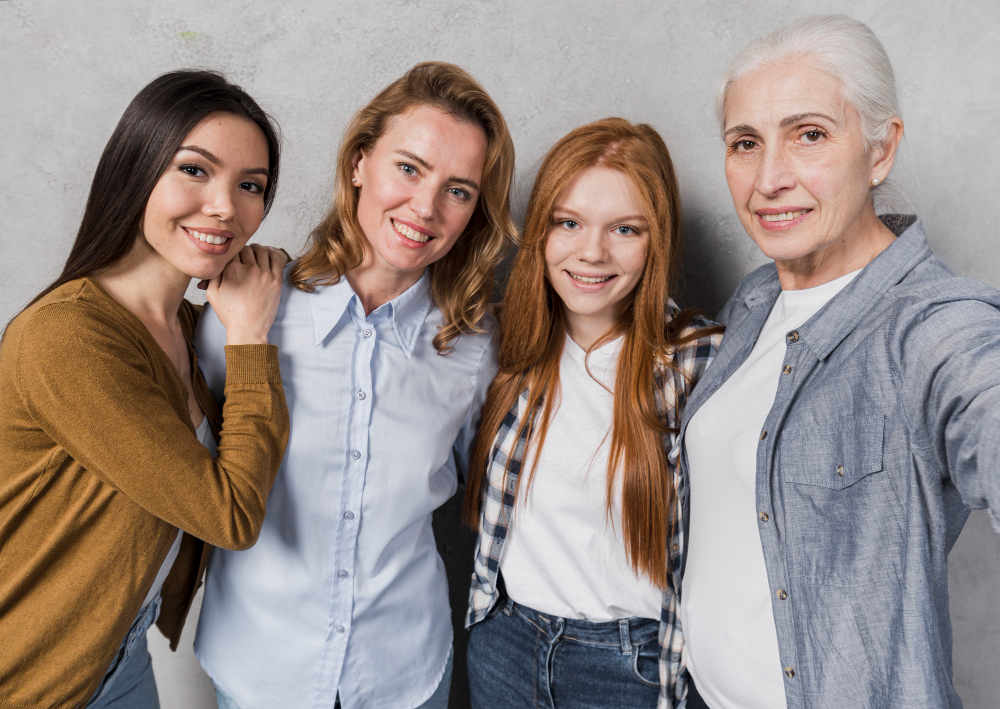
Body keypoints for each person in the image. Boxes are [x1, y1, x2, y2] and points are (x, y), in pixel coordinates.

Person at [674, 14, 1000, 709]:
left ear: (880, 151)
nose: (769, 179)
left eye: (810, 134)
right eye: (745, 143)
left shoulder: (933, 328)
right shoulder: (760, 296)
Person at [193, 61, 516, 709]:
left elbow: (473, 495)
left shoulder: (479, 347)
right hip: (261, 666)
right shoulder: (247, 307)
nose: (425, 207)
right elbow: (194, 479)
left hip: (404, 670)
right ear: (359, 162)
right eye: (409, 167)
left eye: (458, 189)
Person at [0, 70, 290, 708]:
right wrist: (250, 343)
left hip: (118, 651)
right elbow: (229, 515)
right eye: (194, 170)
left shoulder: (186, 328)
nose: (224, 206)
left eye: (250, 186)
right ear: (136, 168)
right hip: (32, 678)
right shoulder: (69, 338)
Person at [462, 118, 722, 709]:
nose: (592, 252)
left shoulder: (700, 361)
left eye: (625, 229)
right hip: (506, 643)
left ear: (658, 239)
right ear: (541, 233)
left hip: (630, 667)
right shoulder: (501, 342)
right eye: (569, 223)